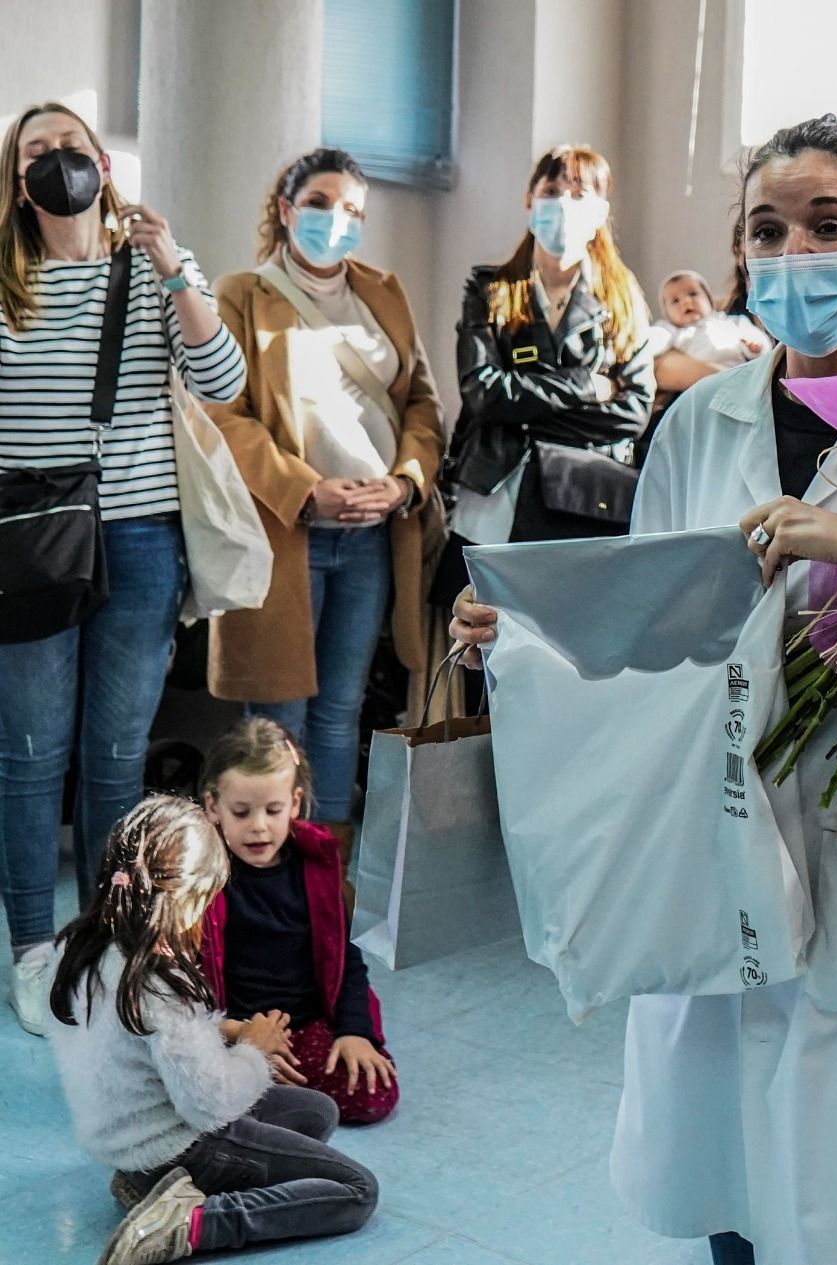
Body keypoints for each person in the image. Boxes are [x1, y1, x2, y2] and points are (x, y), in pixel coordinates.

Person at [448, 115, 837, 1265]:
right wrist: (518, 634)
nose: (795, 254)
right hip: (714, 832)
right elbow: (642, 630)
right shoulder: (699, 422)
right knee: (725, 1147)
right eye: (768, 230)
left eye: (828, 226)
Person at [0, 102, 246, 1035]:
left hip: (140, 538)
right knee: (28, 756)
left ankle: (109, 945)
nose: (57, 162)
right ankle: (34, 948)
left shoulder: (148, 274)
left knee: (114, 758)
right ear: (16, 180)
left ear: (103, 163)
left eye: (71, 148)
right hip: (27, 537)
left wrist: (174, 264)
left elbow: (223, 382)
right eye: (36, 152)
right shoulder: (4, 279)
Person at [206, 148, 444, 855]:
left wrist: (403, 480)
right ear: (286, 209)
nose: (335, 220)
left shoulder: (385, 292)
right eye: (320, 203)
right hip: (287, 531)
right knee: (277, 715)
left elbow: (424, 406)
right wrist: (305, 490)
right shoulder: (241, 294)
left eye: (352, 211)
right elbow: (223, 414)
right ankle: (261, 872)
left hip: (374, 533)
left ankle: (321, 873)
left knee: (342, 713)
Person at [46, 796, 378, 1263]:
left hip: (124, 1140)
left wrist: (228, 1031)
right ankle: (193, 1223)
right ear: (188, 898)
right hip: (175, 1144)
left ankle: (147, 1187)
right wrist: (256, 1052)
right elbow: (207, 1105)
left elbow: (133, 1040)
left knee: (317, 1111)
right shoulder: (158, 982)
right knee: (357, 1189)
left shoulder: (78, 948)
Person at [437, 143, 654, 590]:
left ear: (600, 211)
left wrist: (525, 405)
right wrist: (586, 387)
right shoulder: (490, 290)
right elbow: (482, 395)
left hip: (583, 501)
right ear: (529, 200)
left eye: (578, 195)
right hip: (496, 495)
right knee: (485, 644)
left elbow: (633, 410)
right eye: (552, 190)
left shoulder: (622, 299)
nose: (562, 205)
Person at [199, 718, 398, 1124]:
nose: (258, 826)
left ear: (295, 803)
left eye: (273, 810)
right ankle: (256, 1091)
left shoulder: (316, 870)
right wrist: (240, 1037)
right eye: (241, 812)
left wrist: (354, 1032)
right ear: (212, 807)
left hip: (305, 1026)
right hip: (231, 1032)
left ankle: (265, 1094)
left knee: (375, 1092)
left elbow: (346, 961)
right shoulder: (199, 878)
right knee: (195, 1087)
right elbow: (176, 990)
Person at [647, 268, 769, 371]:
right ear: (667, 314)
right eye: (675, 301)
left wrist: (756, 346)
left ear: (710, 301)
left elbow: (759, 340)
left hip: (737, 369)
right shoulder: (672, 330)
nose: (686, 301)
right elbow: (656, 338)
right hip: (699, 380)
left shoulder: (732, 322)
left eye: (693, 294)